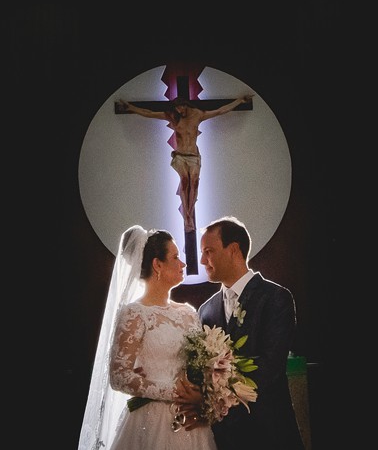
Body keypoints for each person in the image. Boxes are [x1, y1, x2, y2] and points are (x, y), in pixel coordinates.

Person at [79, 226, 215, 450]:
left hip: (191, 419)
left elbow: (200, 363)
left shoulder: (189, 312)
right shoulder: (134, 313)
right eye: (175, 257)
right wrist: (175, 392)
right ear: (157, 265)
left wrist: (200, 394)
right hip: (150, 420)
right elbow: (119, 377)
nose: (183, 264)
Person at [197, 216, 305, 450]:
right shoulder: (206, 310)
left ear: (233, 250)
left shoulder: (275, 298)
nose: (202, 260)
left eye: (208, 251)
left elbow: (270, 365)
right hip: (222, 438)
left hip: (268, 433)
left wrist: (216, 389)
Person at [116, 95, 253, 234]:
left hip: (193, 156)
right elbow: (149, 113)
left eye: (181, 108)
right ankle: (187, 218)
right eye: (176, 109)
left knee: (194, 183)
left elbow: (220, 111)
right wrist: (130, 107)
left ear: (186, 105)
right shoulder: (173, 116)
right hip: (180, 155)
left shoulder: (197, 115)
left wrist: (239, 101)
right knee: (185, 181)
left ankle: (189, 213)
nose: (179, 111)